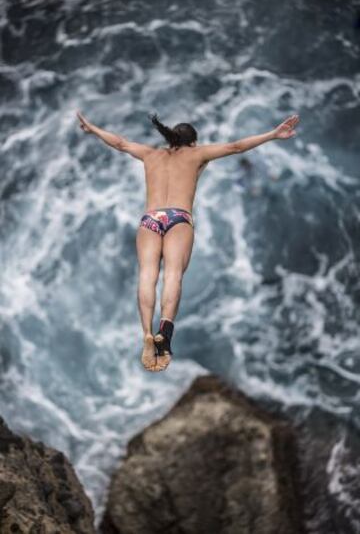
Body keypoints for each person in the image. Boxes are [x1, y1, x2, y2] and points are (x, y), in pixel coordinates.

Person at [76, 110, 300, 372]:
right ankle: (165, 335)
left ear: (171, 141)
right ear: (192, 143)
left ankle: (146, 333)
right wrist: (273, 134)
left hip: (150, 218)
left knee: (147, 275)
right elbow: (236, 146)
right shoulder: (197, 154)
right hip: (178, 218)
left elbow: (121, 143)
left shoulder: (151, 154)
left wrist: (93, 128)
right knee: (173, 275)